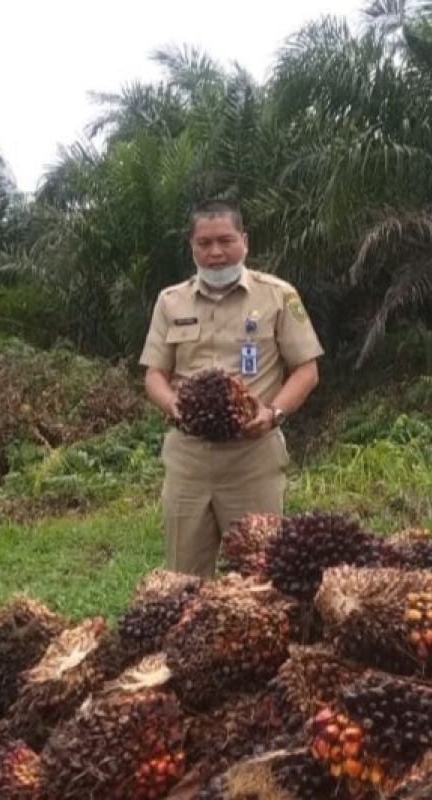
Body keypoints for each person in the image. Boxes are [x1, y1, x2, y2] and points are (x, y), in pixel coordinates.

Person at [139, 199, 323, 577]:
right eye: (204, 243)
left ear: (245, 241)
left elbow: (306, 370)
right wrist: (174, 407)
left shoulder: (277, 295)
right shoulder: (170, 301)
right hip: (188, 460)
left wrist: (272, 415)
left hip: (252, 457)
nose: (215, 252)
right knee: (183, 579)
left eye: (225, 240)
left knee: (261, 576)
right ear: (192, 246)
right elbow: (154, 375)